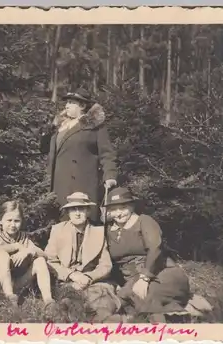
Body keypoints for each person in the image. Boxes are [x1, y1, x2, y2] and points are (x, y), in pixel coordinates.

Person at [104, 187, 191, 323]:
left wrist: (144, 278)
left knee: (145, 295)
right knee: (119, 301)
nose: (119, 213)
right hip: (132, 279)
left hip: (160, 272)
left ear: (132, 207)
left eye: (123, 207)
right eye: (114, 209)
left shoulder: (144, 221)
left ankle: (162, 332)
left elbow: (155, 248)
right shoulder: (109, 230)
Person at [43, 88, 119, 224]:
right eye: (66, 103)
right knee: (60, 224)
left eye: (71, 103)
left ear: (82, 106)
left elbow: (107, 153)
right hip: (58, 185)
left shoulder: (94, 126)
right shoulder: (59, 127)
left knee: (83, 222)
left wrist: (110, 175)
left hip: (82, 184)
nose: (66, 106)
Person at [44, 192, 122, 322]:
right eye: (73, 209)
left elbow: (106, 265)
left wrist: (89, 277)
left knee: (101, 299)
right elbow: (50, 261)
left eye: (81, 209)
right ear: (68, 212)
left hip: (93, 282)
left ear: (88, 211)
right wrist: (71, 275)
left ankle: (105, 323)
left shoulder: (98, 232)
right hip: (67, 281)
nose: (77, 213)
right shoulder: (58, 230)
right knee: (69, 302)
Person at [0, 200, 56, 311]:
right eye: (9, 220)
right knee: (2, 255)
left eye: (16, 221)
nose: (13, 225)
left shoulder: (22, 236)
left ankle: (48, 300)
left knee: (40, 261)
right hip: (0, 281)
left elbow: (44, 255)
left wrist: (28, 251)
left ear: (21, 221)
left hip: (19, 281)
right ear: (0, 220)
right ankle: (9, 297)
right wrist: (16, 246)